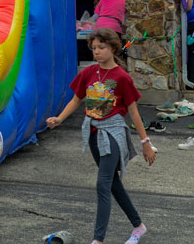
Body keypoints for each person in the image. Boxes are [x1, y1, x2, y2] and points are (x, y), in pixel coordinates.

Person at [47, 28, 155, 244]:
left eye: (101, 47)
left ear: (113, 48)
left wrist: (146, 143)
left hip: (113, 133)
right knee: (113, 183)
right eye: (94, 48)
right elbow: (76, 100)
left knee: (103, 183)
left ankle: (98, 240)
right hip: (93, 132)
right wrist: (59, 119)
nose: (96, 52)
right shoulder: (88, 73)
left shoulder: (122, 78)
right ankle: (139, 226)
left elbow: (133, 112)